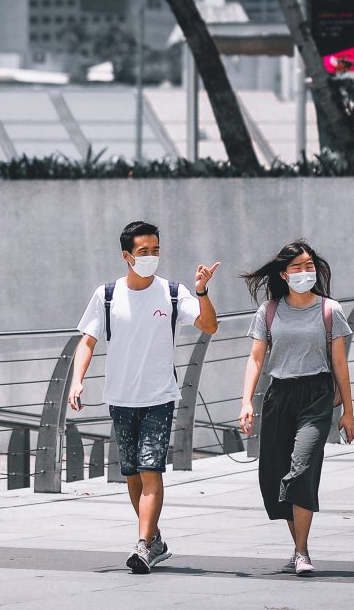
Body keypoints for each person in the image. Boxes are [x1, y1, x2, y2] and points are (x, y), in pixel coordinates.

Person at [69, 221, 219, 574]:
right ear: (127, 256)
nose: (151, 256)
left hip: (159, 397)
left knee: (150, 470)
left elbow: (209, 326)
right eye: (143, 251)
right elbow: (87, 340)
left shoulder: (172, 292)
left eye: (155, 250)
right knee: (133, 475)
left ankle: (141, 546)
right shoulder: (107, 295)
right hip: (120, 398)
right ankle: (155, 540)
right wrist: (77, 381)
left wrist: (202, 292)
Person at [239, 239, 354, 576]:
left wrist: (348, 412)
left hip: (317, 395)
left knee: (301, 469)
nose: (305, 272)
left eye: (309, 266)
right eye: (297, 267)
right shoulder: (269, 311)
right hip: (279, 395)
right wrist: (246, 401)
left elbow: (340, 362)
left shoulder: (330, 310)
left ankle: (302, 552)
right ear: (284, 274)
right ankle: (298, 548)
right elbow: (256, 358)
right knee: (277, 475)